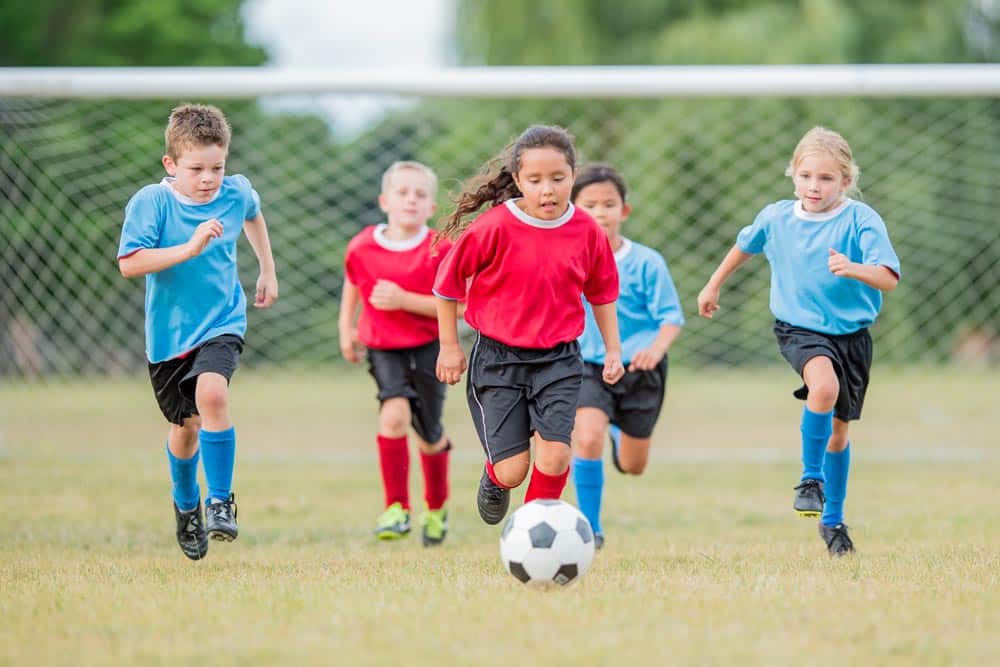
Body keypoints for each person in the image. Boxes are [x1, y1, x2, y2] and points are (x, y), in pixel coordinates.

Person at [696, 126, 900, 556]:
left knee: (839, 434)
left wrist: (853, 267)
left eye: (826, 178)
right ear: (793, 174)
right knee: (823, 388)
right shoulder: (776, 217)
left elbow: (887, 277)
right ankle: (810, 480)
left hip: (852, 336)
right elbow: (744, 245)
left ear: (845, 181)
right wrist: (713, 284)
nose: (814, 186)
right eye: (806, 175)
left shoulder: (861, 219)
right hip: (799, 329)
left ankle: (833, 522)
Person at [433, 124, 625, 526]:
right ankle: (493, 477)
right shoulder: (493, 228)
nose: (547, 190)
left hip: (559, 359)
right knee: (513, 471)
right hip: (499, 359)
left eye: (558, 178)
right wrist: (449, 347)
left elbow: (602, 293)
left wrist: (612, 349)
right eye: (535, 180)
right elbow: (447, 286)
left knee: (555, 455)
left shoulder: (587, 231)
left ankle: (531, 532)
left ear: (573, 176)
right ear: (518, 180)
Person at [117, 104, 278, 560]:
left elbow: (253, 212)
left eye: (217, 167)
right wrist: (188, 249)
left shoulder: (234, 192)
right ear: (171, 165)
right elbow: (130, 263)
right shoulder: (152, 203)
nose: (209, 178)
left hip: (222, 321)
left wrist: (267, 269)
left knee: (212, 395)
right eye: (196, 169)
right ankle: (186, 506)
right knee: (184, 428)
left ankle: (220, 501)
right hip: (168, 337)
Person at [568, 164, 685, 550]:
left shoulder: (647, 262)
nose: (600, 213)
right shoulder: (568, 258)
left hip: (639, 369)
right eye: (589, 205)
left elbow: (670, 317)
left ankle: (619, 431)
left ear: (624, 211)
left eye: (608, 204)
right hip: (588, 366)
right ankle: (590, 530)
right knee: (586, 439)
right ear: (573, 209)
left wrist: (655, 349)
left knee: (634, 466)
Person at [339, 161, 454, 546]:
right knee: (393, 416)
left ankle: (436, 508)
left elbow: (461, 307)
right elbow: (353, 284)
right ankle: (396, 508)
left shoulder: (442, 248)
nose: (411, 200)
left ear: (431, 206)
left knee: (430, 435)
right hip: (383, 346)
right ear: (384, 201)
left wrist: (405, 300)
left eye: (420, 195)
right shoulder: (362, 246)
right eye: (403, 193)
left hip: (431, 348)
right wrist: (346, 328)